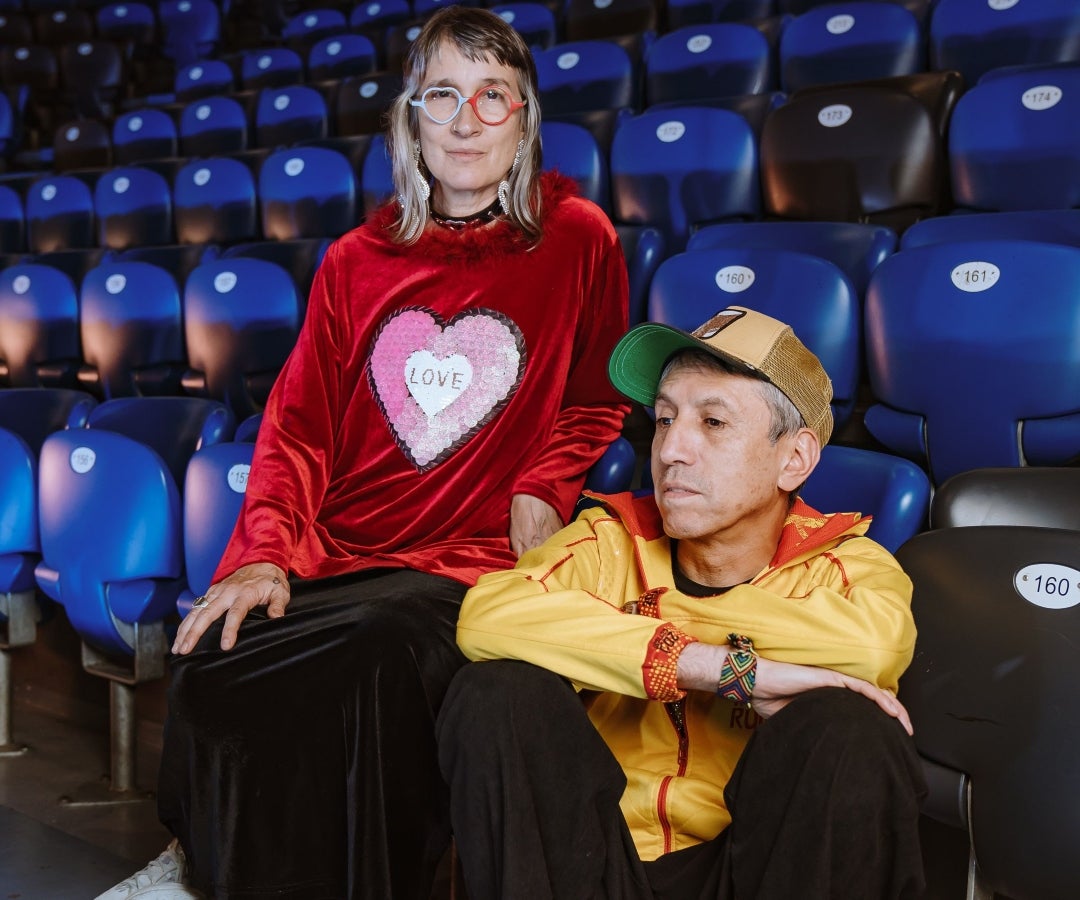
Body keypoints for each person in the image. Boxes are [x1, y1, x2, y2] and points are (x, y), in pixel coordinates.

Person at [96, 7, 629, 900]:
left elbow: (596, 396)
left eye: (492, 97)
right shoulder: (353, 259)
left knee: (378, 653)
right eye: (443, 96)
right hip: (340, 552)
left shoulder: (580, 237)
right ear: (411, 120)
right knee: (210, 657)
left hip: (467, 562)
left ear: (525, 119)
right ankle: (213, 868)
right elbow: (298, 427)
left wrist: (543, 485)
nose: (466, 121)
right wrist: (264, 554)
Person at [438, 305, 928, 900]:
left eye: (713, 422)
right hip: (591, 864)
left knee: (851, 729)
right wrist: (721, 668)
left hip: (751, 868)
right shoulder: (607, 540)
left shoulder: (846, 565)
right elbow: (485, 617)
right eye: (665, 419)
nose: (672, 449)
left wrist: (634, 623)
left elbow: (874, 648)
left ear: (793, 459)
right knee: (495, 692)